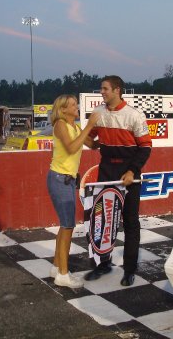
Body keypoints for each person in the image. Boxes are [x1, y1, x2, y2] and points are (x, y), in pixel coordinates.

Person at [84, 75, 152, 287]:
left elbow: (146, 147)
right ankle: (103, 265)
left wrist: (132, 171)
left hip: (129, 172)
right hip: (106, 169)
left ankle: (129, 269)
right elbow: (89, 139)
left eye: (105, 89)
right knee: (103, 220)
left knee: (130, 221)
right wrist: (84, 137)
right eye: (101, 89)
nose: (101, 92)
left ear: (117, 90)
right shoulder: (98, 113)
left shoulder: (134, 115)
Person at [47, 95, 100, 288]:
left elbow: (93, 145)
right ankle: (63, 274)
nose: (76, 107)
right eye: (72, 105)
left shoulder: (75, 127)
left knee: (65, 225)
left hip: (67, 181)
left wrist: (105, 128)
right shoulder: (61, 124)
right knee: (68, 226)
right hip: (60, 179)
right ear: (63, 110)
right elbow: (70, 148)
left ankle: (56, 267)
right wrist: (89, 125)